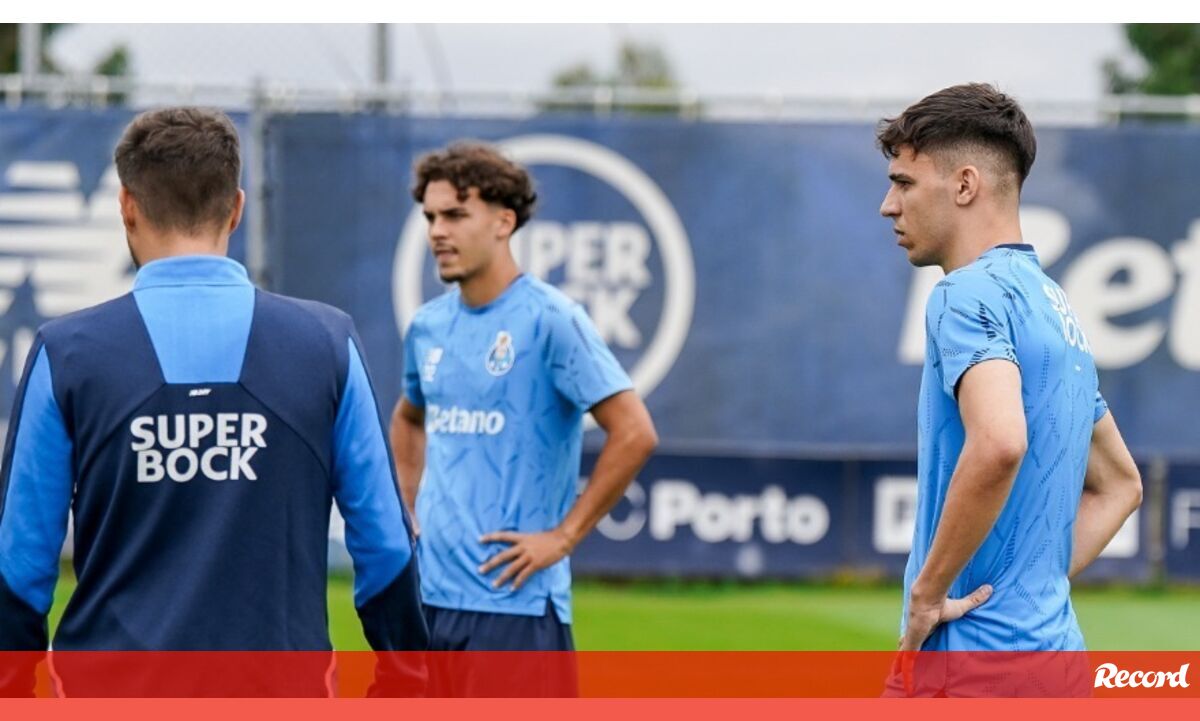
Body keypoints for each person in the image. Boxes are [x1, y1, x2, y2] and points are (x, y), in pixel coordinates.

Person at [0, 107, 427, 694]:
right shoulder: (326, 342)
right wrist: (404, 686)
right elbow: (388, 549)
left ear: (126, 205)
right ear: (237, 208)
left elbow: (18, 565)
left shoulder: (67, 352)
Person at [876, 84, 1142, 690]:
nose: (888, 206)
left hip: (969, 668)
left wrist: (927, 595)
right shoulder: (1053, 304)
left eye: (904, 183)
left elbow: (999, 442)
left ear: (965, 185)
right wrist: (1026, 592)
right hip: (1058, 662)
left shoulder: (963, 293)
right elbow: (1120, 485)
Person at [390, 142, 658, 664]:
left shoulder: (552, 319)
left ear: (503, 222)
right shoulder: (428, 326)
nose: (437, 231)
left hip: (515, 605)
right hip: (429, 598)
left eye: (455, 215)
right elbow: (408, 417)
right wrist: (407, 505)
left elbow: (635, 431)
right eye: (430, 217)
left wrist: (563, 537)